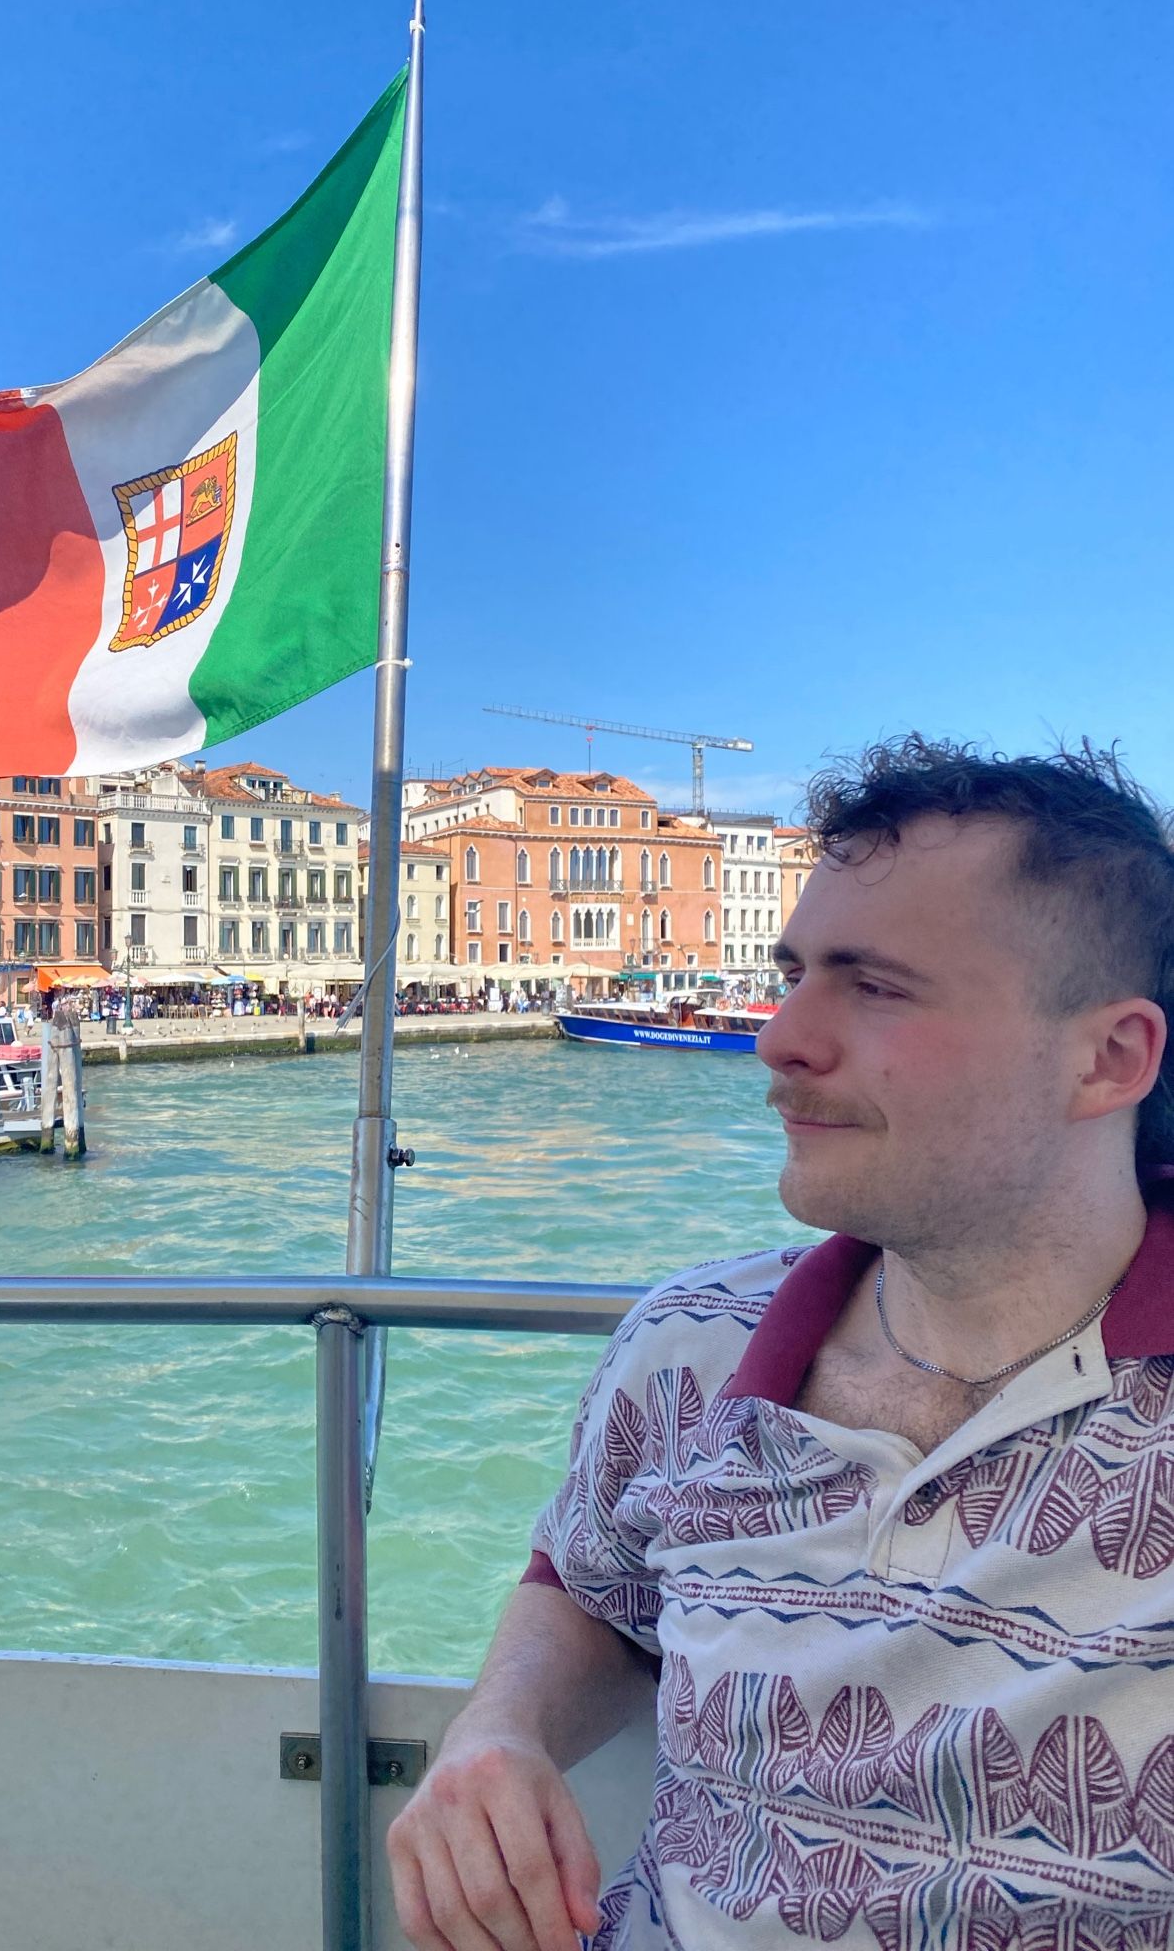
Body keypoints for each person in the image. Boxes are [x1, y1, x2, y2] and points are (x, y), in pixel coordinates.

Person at [388, 737, 1174, 1950]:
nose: (778, 1035)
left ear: (1108, 1056)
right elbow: (596, 1588)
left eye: (875, 984)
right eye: (794, 970)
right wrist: (502, 1725)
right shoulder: (689, 1344)